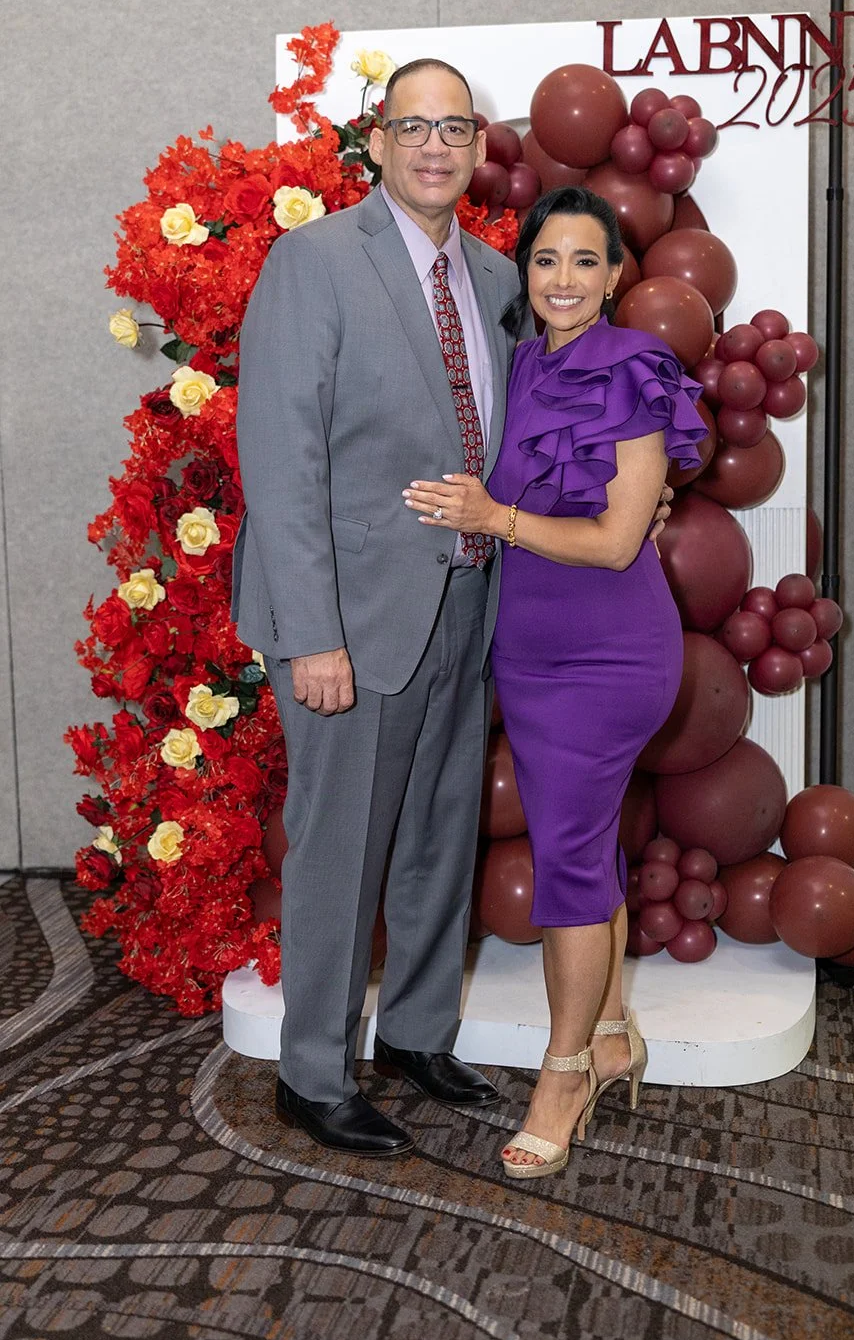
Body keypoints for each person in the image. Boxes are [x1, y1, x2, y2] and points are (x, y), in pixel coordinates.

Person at [233, 59, 519, 1155]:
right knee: (339, 844)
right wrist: (312, 634)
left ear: (478, 143)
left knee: (442, 836)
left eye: (454, 126)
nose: (435, 146)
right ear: (377, 141)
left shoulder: (494, 277)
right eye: (414, 127)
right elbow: (281, 457)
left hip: (463, 602)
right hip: (349, 616)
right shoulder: (312, 262)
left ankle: (414, 1031)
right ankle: (311, 1073)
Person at [402, 186, 706, 1179]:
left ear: (616, 274)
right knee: (581, 846)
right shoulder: (518, 365)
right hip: (527, 654)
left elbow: (619, 538)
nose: (564, 280)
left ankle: (564, 1071)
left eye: (585, 261)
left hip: (610, 656)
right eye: (546, 261)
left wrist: (496, 519)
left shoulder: (631, 365)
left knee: (568, 867)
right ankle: (614, 1030)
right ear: (521, 273)